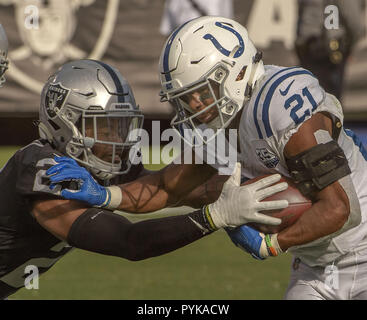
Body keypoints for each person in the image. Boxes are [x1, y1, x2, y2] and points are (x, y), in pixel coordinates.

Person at [49, 16, 367, 300]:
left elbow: (342, 208)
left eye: (202, 90)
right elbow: (168, 188)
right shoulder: (220, 123)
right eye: (185, 97)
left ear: (236, 72)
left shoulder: (280, 106)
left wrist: (271, 244)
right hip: (315, 266)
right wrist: (106, 195)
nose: (194, 104)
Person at [0, 58, 288, 299]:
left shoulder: (105, 163)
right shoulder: (44, 170)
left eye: (122, 125)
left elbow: (172, 189)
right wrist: (214, 217)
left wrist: (246, 187)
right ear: (64, 124)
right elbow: (130, 242)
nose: (119, 140)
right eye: (105, 127)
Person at [295, 0, 364, 100]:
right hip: (330, 51)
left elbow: (301, 15)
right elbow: (354, 20)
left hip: (308, 47)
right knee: (330, 102)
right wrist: (350, 45)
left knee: (310, 99)